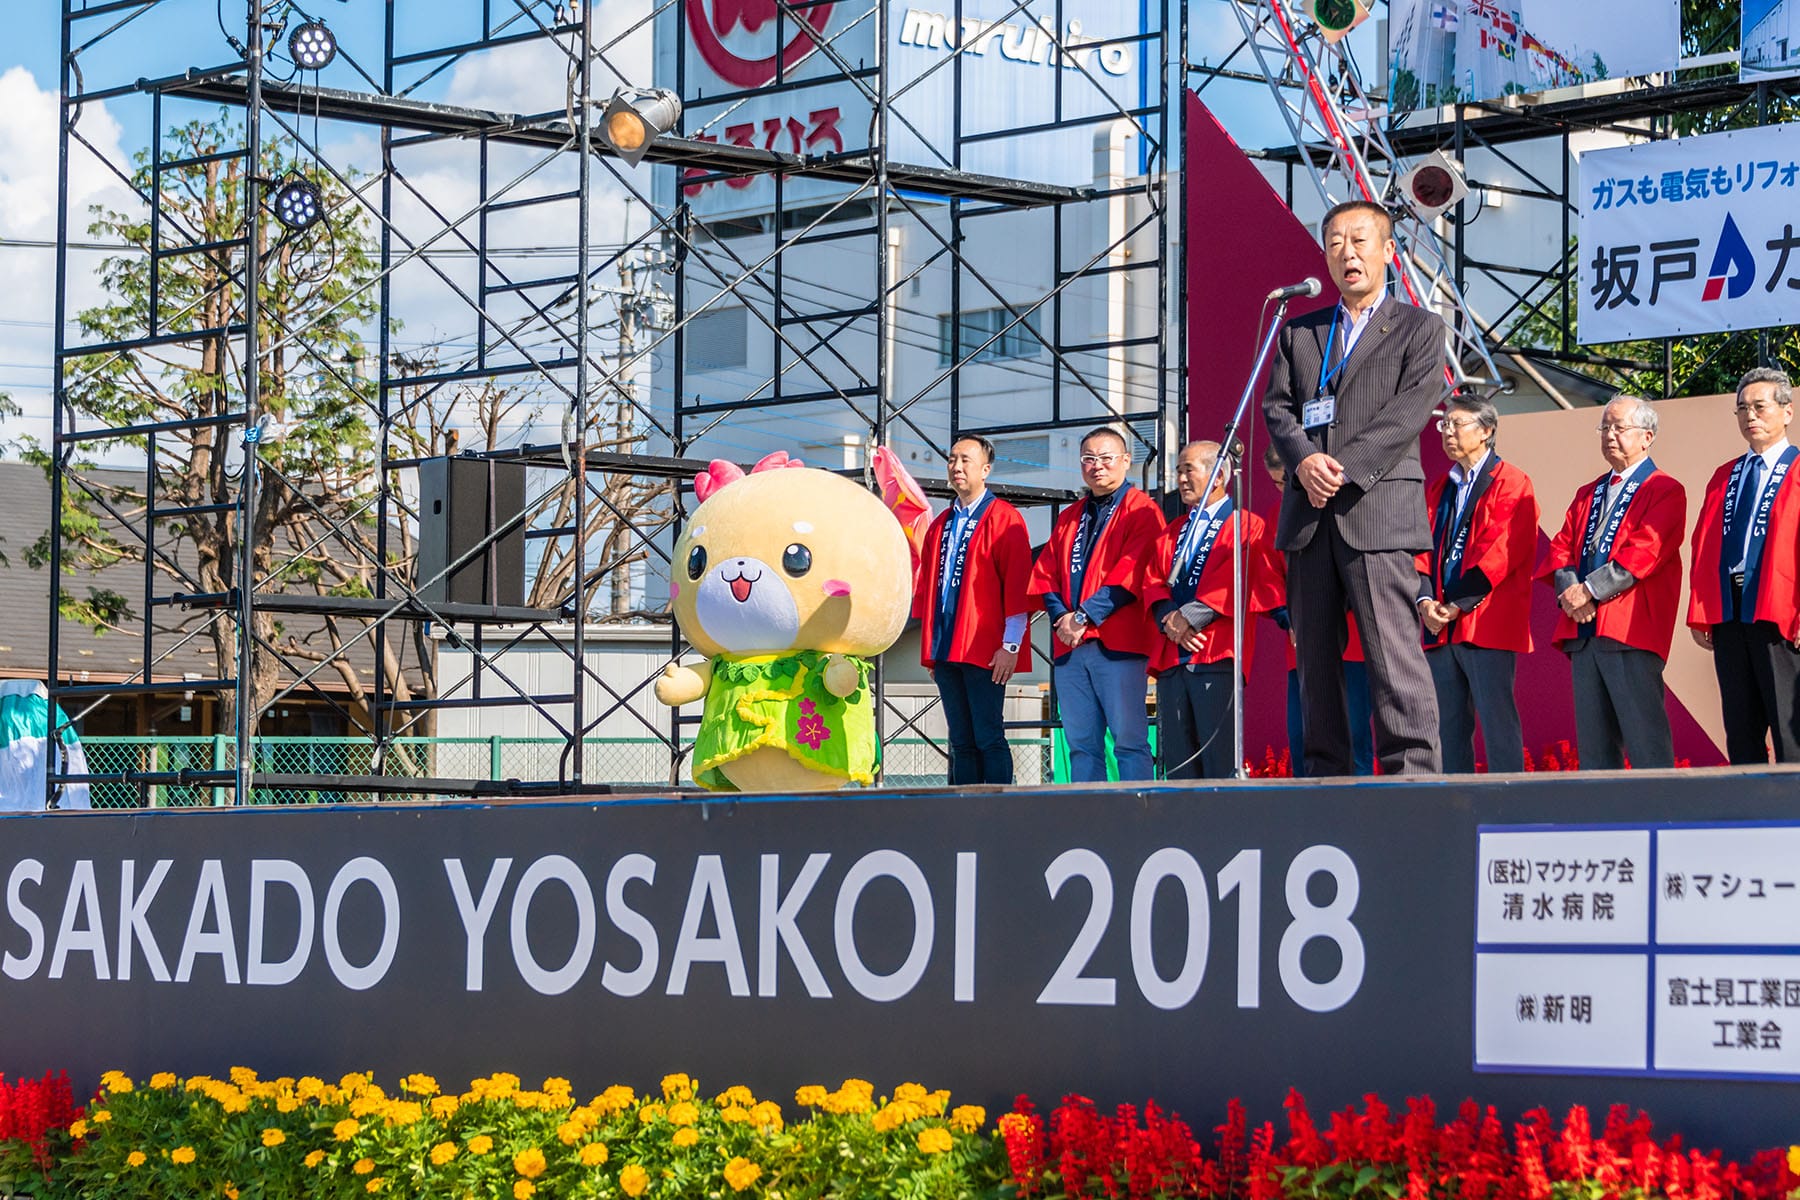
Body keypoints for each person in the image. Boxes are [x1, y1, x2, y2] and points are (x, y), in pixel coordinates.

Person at [1262, 199, 1444, 776]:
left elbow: (1410, 409)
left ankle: (1413, 778)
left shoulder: (1419, 326)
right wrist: (1305, 463)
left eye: (1360, 241)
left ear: (1388, 252)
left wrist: (1337, 467)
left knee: (1393, 657)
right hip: (1311, 518)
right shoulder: (1301, 333)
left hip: (1377, 508)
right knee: (1315, 664)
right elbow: (1277, 409)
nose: (1348, 254)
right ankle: (1326, 780)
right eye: (1336, 243)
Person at [1541, 395, 1687, 770]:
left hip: (1630, 631)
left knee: (1645, 739)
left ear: (1647, 436)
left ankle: (1659, 818)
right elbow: (1560, 548)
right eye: (1604, 427)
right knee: (1594, 747)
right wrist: (1572, 592)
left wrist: (1588, 591)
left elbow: (1644, 553)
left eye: (1619, 427)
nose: (1609, 435)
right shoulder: (1588, 492)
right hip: (1584, 632)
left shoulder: (1664, 489)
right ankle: (1604, 822)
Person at [1029, 426, 1164, 782]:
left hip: (1117, 643)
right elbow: (1046, 573)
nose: (1097, 466)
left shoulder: (1142, 510)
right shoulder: (1070, 516)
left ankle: (1140, 819)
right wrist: (1062, 618)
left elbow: (1134, 572)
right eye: (1089, 459)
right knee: (1080, 744)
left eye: (1105, 458)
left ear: (1125, 461)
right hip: (1071, 647)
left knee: (1130, 741)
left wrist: (1085, 616)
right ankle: (1089, 821)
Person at [1415, 394, 1539, 774]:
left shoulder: (1512, 481)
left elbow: (1501, 550)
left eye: (1457, 424)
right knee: (1447, 727)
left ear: (1486, 431)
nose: (1448, 433)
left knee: (1497, 722)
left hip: (1485, 621)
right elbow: (1420, 547)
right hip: (1440, 625)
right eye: (1444, 425)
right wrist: (1424, 600)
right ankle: (1454, 809)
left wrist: (1455, 603)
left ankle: (1510, 810)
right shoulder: (1440, 486)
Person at [1686, 367, 1800, 764]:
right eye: (1741, 409)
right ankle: (1752, 817)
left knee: (1790, 726)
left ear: (1787, 411)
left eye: (1759, 406)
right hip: (1731, 615)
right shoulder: (1726, 475)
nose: (1750, 416)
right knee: (1741, 727)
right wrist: (1703, 613)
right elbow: (1703, 546)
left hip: (1782, 615)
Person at [1143, 441, 1275, 779]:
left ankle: (1224, 831)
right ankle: (1182, 831)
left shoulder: (1246, 524)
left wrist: (1187, 619)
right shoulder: (1172, 532)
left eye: (1189, 469)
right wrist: (1170, 620)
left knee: (1218, 759)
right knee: (1178, 761)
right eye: (1179, 471)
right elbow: (1153, 582)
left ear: (1217, 475)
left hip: (1216, 653)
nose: (1181, 478)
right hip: (1173, 658)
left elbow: (1237, 582)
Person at [913, 435, 1034, 784]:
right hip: (947, 648)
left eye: (966, 460)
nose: (957, 466)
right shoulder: (940, 525)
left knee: (988, 736)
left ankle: (999, 814)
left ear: (985, 469)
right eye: (952, 459)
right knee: (960, 741)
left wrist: (1011, 646)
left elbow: (1017, 586)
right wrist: (932, 652)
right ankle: (961, 814)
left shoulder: (1004, 518)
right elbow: (930, 592)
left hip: (986, 648)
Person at [1260, 445, 1373, 775]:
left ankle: (1362, 808)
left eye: (1284, 481)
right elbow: (1269, 577)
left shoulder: (1345, 506)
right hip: (1302, 645)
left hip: (1350, 642)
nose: (1283, 491)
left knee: (1354, 735)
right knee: (1302, 734)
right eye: (1276, 484)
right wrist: (1289, 617)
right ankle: (1308, 811)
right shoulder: (1276, 516)